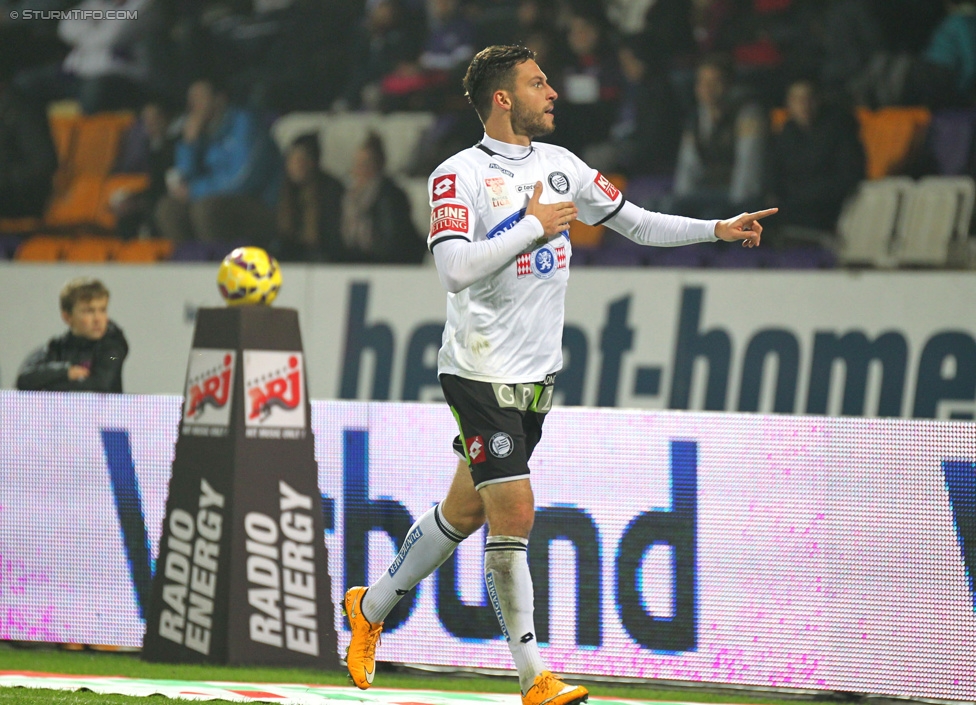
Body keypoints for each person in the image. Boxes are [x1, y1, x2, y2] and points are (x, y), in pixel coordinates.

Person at [342, 44, 775, 705]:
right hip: (478, 369)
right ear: (502, 98)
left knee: (462, 508)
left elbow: (636, 222)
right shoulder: (455, 176)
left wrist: (716, 228)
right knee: (514, 509)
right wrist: (531, 226)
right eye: (537, 83)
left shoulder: (564, 167)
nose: (554, 93)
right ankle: (533, 677)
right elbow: (455, 269)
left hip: (535, 376)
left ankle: (369, 607)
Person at [153, 77, 280, 244]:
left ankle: (217, 262)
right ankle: (190, 261)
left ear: (219, 99)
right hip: (215, 200)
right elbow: (183, 178)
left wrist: (194, 191)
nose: (193, 106)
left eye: (200, 98)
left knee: (206, 209)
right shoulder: (202, 132)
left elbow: (243, 180)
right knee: (168, 208)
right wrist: (189, 144)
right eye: (191, 100)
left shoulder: (245, 123)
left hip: (260, 204)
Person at [766, 79, 865, 244]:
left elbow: (848, 176)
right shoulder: (786, 133)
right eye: (797, 100)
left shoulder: (840, 130)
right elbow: (775, 174)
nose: (803, 105)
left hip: (827, 207)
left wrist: (805, 196)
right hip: (791, 204)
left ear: (818, 100)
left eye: (808, 99)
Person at [669, 54, 766, 220]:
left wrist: (735, 212)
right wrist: (681, 202)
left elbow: (748, 169)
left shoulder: (747, 114)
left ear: (728, 85)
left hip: (739, 197)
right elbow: (688, 166)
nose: (708, 88)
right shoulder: (696, 118)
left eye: (715, 82)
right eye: (702, 82)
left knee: (712, 219)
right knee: (663, 209)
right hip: (708, 191)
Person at [17, 278, 128, 393]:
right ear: (67, 317)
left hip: (104, 411)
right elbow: (24, 380)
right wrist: (66, 372)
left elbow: (100, 385)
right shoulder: (57, 347)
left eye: (102, 310)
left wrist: (47, 387)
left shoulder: (113, 349)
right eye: (89, 311)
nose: (98, 319)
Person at [339, 132, 425, 264]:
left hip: (389, 264)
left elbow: (392, 241)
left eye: (366, 164)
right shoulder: (348, 198)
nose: (360, 170)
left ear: (378, 164)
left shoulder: (391, 197)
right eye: (358, 163)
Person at [273, 132, 345, 262]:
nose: (294, 166)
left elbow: (334, 238)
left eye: (299, 160)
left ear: (312, 162)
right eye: (291, 160)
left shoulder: (331, 190)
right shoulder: (283, 190)